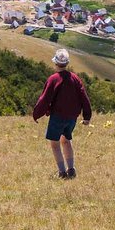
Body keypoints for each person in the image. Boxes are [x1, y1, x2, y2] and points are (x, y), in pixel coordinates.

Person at [33, 49, 92, 179]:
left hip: (57, 117)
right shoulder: (75, 78)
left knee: (55, 144)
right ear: (67, 63)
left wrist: (36, 114)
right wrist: (87, 116)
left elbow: (44, 99)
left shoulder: (53, 79)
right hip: (72, 118)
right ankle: (71, 169)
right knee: (66, 141)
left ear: (55, 63)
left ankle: (62, 172)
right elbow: (84, 97)